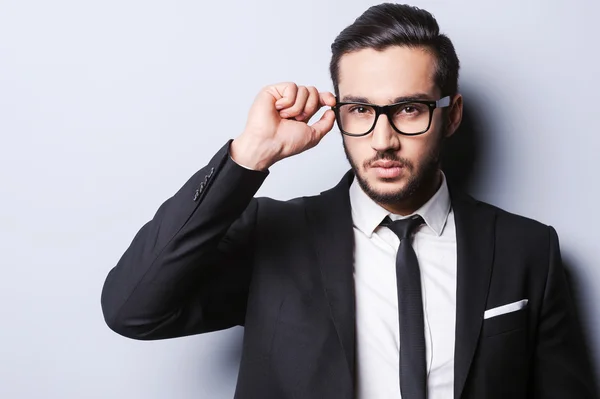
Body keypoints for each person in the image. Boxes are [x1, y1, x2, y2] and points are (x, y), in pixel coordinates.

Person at [100, 3, 597, 399]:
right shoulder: (272, 236)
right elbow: (132, 309)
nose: (382, 139)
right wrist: (248, 157)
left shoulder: (527, 250)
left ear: (451, 115)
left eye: (408, 109)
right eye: (359, 110)